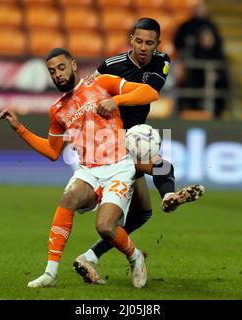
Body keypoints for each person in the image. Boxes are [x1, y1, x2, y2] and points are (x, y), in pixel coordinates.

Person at [0, 48, 160, 288]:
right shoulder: (58, 109)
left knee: (105, 227)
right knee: (68, 198)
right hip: (88, 170)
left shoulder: (101, 83)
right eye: (52, 72)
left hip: (119, 167)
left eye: (61, 68)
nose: (57, 75)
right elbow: (53, 151)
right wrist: (19, 128)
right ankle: (50, 274)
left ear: (73, 65)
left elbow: (149, 92)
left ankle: (136, 258)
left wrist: (115, 100)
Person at [73, 18, 205, 284]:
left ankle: (91, 256)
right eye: (139, 41)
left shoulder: (161, 62)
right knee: (162, 168)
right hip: (110, 142)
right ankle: (167, 195)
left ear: (158, 44)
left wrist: (116, 100)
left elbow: (150, 93)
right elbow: (86, 97)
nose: (144, 47)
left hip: (134, 139)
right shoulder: (110, 66)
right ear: (131, 39)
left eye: (150, 43)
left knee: (142, 212)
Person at [173, 4, 229, 118]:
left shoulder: (217, 53)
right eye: (205, 37)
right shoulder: (186, 27)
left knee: (221, 84)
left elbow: (221, 65)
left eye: (210, 37)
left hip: (211, 81)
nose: (208, 40)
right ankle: (185, 112)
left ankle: (216, 114)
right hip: (194, 75)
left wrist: (217, 74)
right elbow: (177, 43)